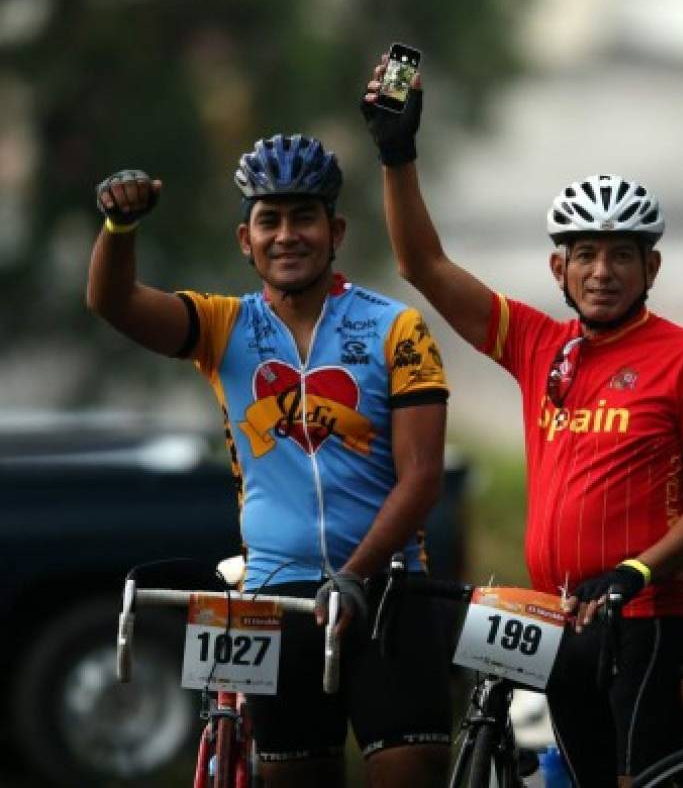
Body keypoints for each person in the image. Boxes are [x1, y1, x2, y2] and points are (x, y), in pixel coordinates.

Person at [360, 63, 683, 785]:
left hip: (649, 614)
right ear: (558, 268)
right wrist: (396, 155)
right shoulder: (540, 344)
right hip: (558, 618)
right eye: (586, 256)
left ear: (651, 266)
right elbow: (421, 263)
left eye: (621, 255)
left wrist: (636, 571)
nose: (603, 272)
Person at [86, 134, 452, 788]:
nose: (288, 234)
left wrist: (355, 575)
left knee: (412, 770)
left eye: (304, 216)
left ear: (335, 230)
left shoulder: (398, 328)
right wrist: (119, 227)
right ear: (245, 239)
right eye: (270, 219)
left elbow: (422, 477)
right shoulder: (223, 326)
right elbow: (113, 303)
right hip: (275, 600)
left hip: (388, 589)